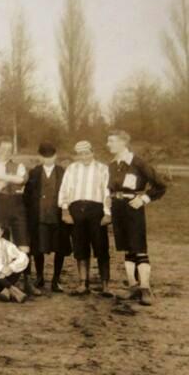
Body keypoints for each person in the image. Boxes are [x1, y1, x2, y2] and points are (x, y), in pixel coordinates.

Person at [106, 130, 166, 305]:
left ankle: (145, 288)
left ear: (123, 142)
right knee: (127, 248)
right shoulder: (112, 164)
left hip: (134, 209)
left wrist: (144, 198)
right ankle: (133, 285)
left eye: (111, 141)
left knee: (138, 246)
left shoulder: (138, 162)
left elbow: (160, 185)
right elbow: (111, 188)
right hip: (118, 209)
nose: (108, 144)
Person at [0, 135, 41, 296]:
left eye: (9, 149)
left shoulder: (19, 165)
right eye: (3, 149)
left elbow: (22, 180)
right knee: (0, 242)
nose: (6, 152)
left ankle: (27, 281)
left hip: (18, 205)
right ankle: (6, 284)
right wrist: (12, 179)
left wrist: (3, 178)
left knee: (23, 244)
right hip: (0, 204)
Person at [58, 140, 112, 297]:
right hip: (76, 210)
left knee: (101, 246)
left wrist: (107, 213)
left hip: (96, 210)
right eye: (80, 154)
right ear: (76, 155)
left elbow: (107, 192)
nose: (84, 156)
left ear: (92, 152)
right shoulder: (71, 169)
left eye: (87, 153)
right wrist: (65, 211)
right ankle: (83, 283)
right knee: (80, 247)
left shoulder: (102, 169)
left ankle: (105, 285)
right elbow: (64, 190)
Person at [23, 142, 72, 293]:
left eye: (51, 156)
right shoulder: (34, 172)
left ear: (55, 156)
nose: (48, 159)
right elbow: (27, 196)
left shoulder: (63, 172)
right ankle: (39, 277)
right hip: (39, 216)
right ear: (40, 157)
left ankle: (56, 280)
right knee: (38, 247)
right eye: (44, 157)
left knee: (60, 248)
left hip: (57, 216)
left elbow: (69, 192)